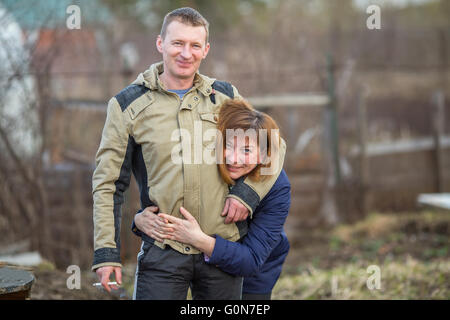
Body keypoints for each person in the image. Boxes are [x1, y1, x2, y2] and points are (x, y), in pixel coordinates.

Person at [92, 7, 286, 300]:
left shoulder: (225, 96)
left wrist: (248, 193)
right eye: (177, 43)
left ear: (205, 50)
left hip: (222, 245)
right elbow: (108, 184)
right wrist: (107, 253)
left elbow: (272, 144)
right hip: (163, 249)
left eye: (195, 45)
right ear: (161, 44)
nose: (186, 53)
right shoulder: (127, 106)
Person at [134, 99, 291, 300]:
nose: (234, 159)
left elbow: (251, 260)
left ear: (263, 155)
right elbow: (179, 200)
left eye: (246, 150)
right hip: (199, 257)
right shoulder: (208, 163)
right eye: (229, 146)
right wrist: (140, 219)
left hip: (255, 263)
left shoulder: (278, 187)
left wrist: (197, 239)